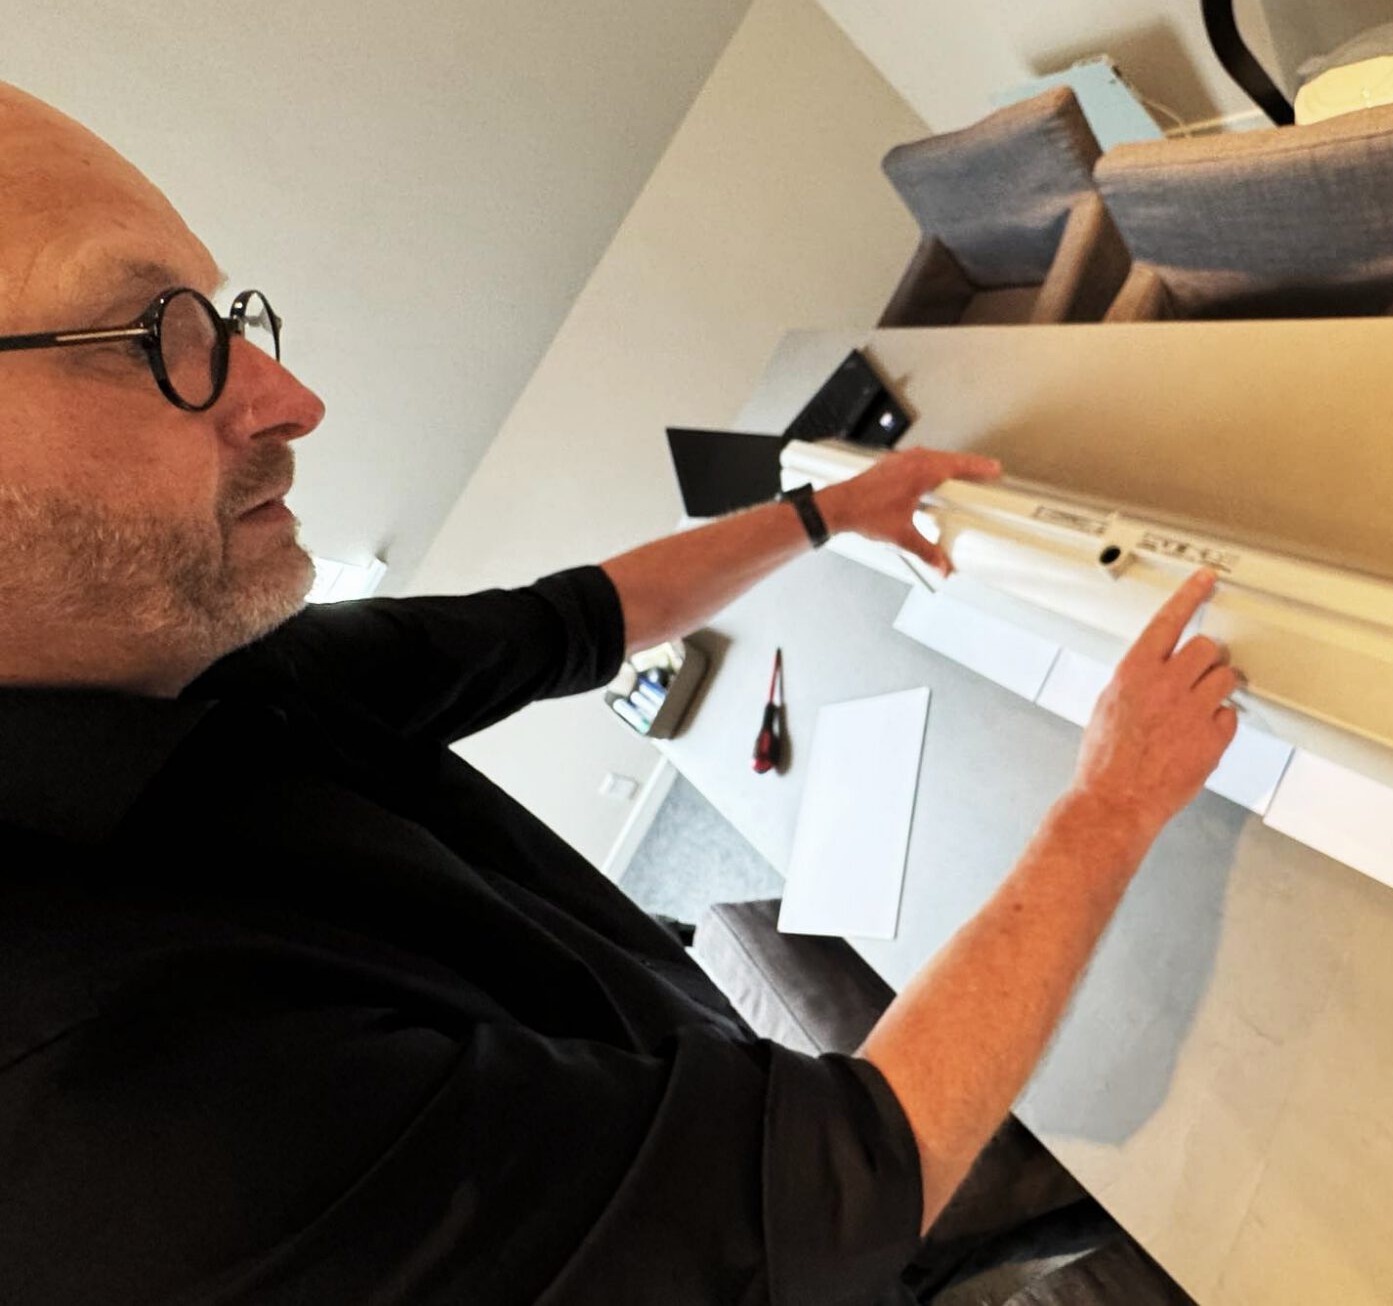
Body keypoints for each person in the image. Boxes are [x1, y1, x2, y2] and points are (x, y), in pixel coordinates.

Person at [0, 77, 1241, 1304]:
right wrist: (1112, 803)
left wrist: (826, 511)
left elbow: (575, 620)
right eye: (151, 336)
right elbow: (834, 1187)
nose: (292, 401)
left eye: (222, 317)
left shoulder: (198, 662)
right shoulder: (107, 1102)